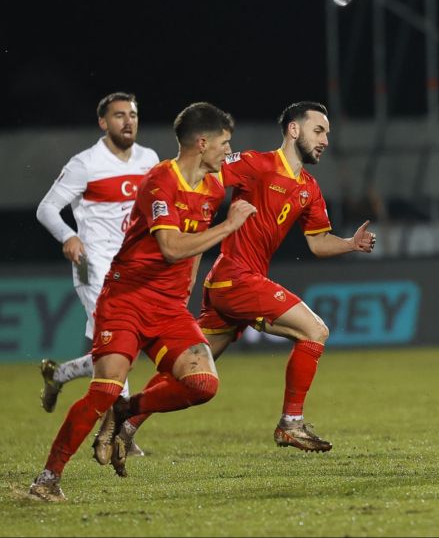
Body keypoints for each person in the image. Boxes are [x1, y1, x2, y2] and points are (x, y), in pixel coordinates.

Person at [28, 102, 256, 502]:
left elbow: (192, 245)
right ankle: (47, 479)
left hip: (168, 305)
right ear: (202, 143)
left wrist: (188, 284)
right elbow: (169, 247)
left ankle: (127, 411)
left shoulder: (214, 187)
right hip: (125, 298)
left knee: (203, 384)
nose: (227, 150)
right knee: (102, 388)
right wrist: (229, 226)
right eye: (224, 143)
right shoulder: (159, 181)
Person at [119, 101, 376, 454]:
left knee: (193, 366)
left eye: (328, 134)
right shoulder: (256, 163)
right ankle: (291, 423)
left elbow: (316, 243)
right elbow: (204, 175)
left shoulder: (309, 188)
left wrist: (349, 244)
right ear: (294, 130)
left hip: (231, 283)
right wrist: (181, 226)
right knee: (315, 330)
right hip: (235, 276)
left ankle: (124, 424)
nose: (325, 140)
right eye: (319, 131)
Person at [35, 92, 159, 422]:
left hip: (134, 267)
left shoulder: (149, 159)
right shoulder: (85, 164)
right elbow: (46, 208)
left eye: (132, 114)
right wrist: (69, 235)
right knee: (118, 343)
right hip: (92, 264)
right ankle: (120, 427)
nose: (128, 120)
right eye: (119, 115)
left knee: (113, 348)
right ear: (103, 123)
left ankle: (58, 375)